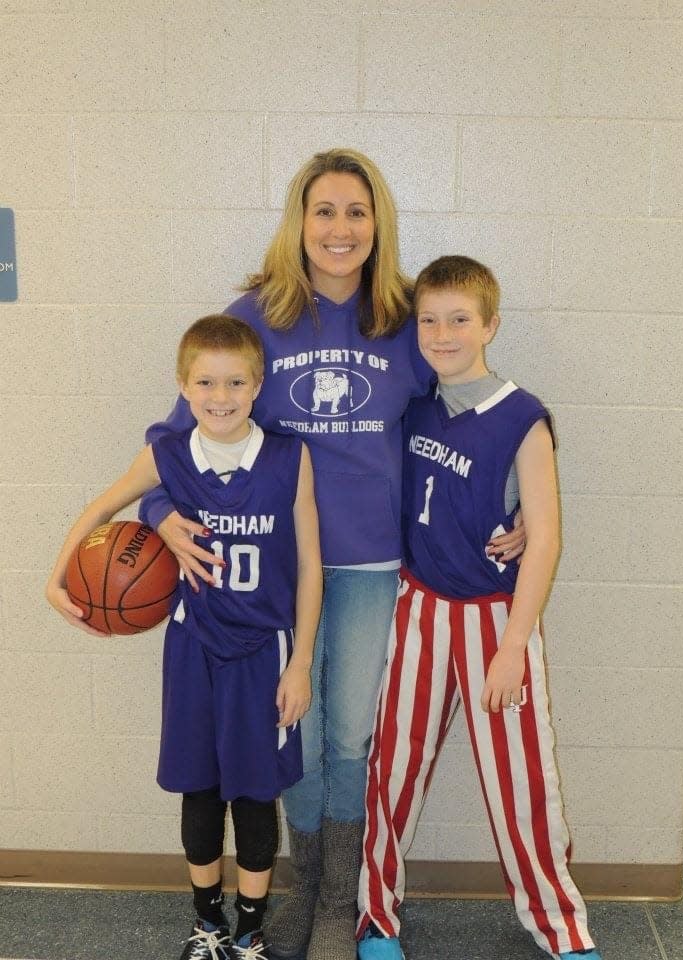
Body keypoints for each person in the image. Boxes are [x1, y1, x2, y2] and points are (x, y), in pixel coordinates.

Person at [139, 150, 525, 960]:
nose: (340, 228)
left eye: (357, 211)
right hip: (278, 566)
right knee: (300, 736)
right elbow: (183, 429)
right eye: (324, 211)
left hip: (374, 562)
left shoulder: (404, 317)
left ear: (377, 221)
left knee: (348, 735)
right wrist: (160, 510)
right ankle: (303, 882)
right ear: (299, 221)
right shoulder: (258, 313)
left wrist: (513, 506)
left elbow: (468, 413)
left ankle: (336, 901)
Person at [46, 315, 322, 960]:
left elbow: (310, 563)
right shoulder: (167, 455)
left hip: (264, 651)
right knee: (200, 788)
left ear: (258, 385)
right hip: (193, 646)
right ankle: (208, 922)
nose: (219, 396)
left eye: (234, 382)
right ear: (183, 385)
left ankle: (250, 931)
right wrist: (55, 577)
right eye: (205, 382)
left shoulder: (289, 456)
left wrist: (302, 660)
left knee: (255, 795)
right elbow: (99, 508)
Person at [356, 256, 602, 960]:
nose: (442, 332)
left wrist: (514, 644)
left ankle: (561, 928)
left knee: (521, 781)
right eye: (429, 320)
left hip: (496, 617)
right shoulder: (413, 407)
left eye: (459, 319)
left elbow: (547, 537)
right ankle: (377, 916)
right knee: (392, 770)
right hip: (422, 608)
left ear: (490, 325)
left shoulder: (523, 417)